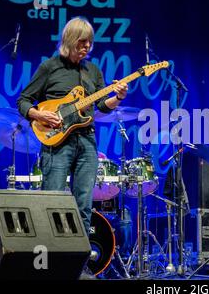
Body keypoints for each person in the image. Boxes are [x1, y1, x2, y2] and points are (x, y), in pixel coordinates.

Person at [17, 17, 128, 236]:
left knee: (84, 206)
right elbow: (23, 101)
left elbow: (102, 107)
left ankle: (80, 262)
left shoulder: (93, 71)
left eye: (89, 42)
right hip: (57, 143)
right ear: (69, 40)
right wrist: (38, 114)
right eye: (82, 42)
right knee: (52, 201)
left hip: (87, 141)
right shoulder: (50, 67)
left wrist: (118, 97)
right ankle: (48, 261)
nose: (87, 46)